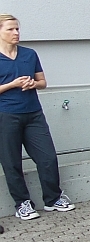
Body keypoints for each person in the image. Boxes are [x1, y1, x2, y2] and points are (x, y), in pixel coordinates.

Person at [0, 14, 74, 220]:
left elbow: (43, 82)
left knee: (47, 157)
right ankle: (22, 204)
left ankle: (53, 199)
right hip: (6, 115)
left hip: (33, 114)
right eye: (10, 29)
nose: (16, 33)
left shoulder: (29, 54)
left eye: (17, 29)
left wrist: (33, 84)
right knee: (11, 162)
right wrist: (12, 84)